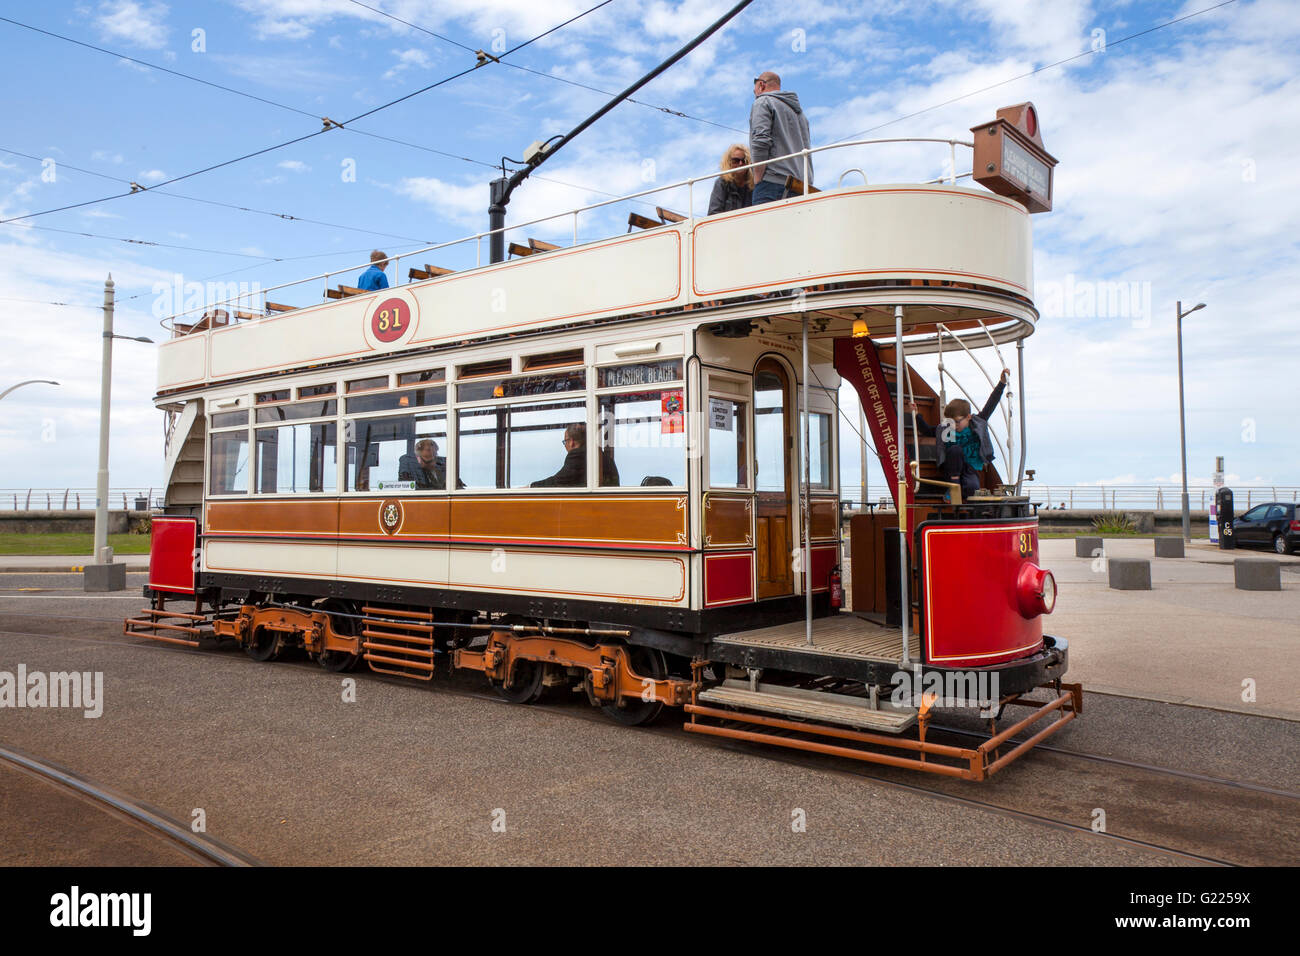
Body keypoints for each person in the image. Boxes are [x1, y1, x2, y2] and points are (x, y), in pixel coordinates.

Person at [908, 369, 1011, 498]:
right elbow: (928, 431)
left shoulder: (977, 424)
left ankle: (962, 494)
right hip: (951, 470)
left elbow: (991, 404)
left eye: (957, 422)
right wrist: (917, 415)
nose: (954, 425)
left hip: (971, 469)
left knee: (972, 487)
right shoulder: (949, 429)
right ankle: (953, 488)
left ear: (968, 417)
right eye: (951, 422)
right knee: (955, 449)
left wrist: (1002, 383)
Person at [748, 71, 812, 205]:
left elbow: (760, 140)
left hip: (773, 184)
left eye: (754, 87)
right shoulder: (801, 116)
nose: (754, 92)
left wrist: (758, 178)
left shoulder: (762, 102)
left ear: (761, 85)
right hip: (802, 187)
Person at [531, 423, 619, 487]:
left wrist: (531, 486)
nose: (565, 445)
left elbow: (558, 481)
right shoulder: (603, 456)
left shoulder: (578, 455)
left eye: (565, 441)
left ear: (571, 442)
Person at [708, 144, 753, 214]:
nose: (740, 163)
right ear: (729, 163)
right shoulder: (721, 183)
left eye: (744, 160)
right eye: (736, 160)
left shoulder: (754, 183)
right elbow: (713, 212)